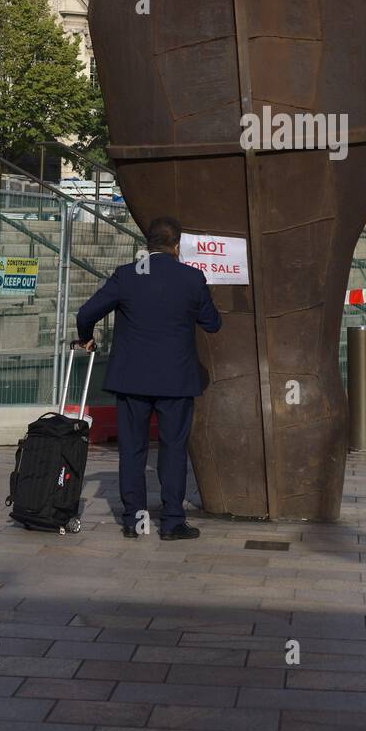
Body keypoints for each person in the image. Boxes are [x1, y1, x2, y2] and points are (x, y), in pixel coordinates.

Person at [75, 215, 222, 541]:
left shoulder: (127, 276)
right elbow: (212, 324)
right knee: (172, 449)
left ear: (148, 243)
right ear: (176, 245)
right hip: (176, 381)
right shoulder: (192, 278)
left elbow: (85, 313)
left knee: (133, 450)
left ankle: (134, 521)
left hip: (132, 380)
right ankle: (171, 522)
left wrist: (86, 337)